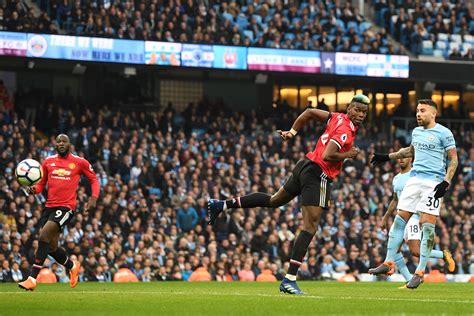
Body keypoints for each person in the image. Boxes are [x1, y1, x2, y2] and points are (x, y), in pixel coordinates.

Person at [208, 94, 370, 294]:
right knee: (310, 227)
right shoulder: (345, 129)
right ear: (349, 108)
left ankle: (221, 205)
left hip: (304, 165)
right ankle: (289, 279)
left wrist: (293, 132)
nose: (361, 115)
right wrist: (349, 155)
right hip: (318, 173)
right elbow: (328, 155)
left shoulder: (336, 117)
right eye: (357, 110)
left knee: (274, 200)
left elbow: (309, 112)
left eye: (364, 112)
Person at [369, 99, 458, 289]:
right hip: (415, 179)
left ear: (433, 113)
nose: (418, 114)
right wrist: (386, 157)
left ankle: (419, 272)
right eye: (417, 110)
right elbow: (409, 151)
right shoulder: (416, 131)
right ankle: (388, 262)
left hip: (433, 182)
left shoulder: (444, 133)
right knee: (399, 220)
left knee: (427, 227)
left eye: (423, 111)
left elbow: (453, 160)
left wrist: (446, 181)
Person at [18, 134, 100, 291]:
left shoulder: (79, 162)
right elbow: (41, 184)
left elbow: (94, 180)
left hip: (66, 208)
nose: (61, 143)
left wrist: (94, 198)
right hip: (49, 207)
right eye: (58, 142)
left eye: (64, 141)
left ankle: (32, 279)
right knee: (51, 247)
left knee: (43, 236)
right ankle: (72, 265)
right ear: (55, 145)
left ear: (69, 144)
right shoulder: (48, 162)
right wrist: (33, 189)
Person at [376, 156, 455, 286]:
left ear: (411, 159)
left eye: (404, 157)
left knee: (415, 251)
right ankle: (408, 280)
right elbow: (395, 200)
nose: (401, 160)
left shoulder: (416, 174)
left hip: (414, 216)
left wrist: (424, 213)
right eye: (399, 158)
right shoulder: (396, 178)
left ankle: (444, 255)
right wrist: (385, 217)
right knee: (394, 248)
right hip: (401, 214)